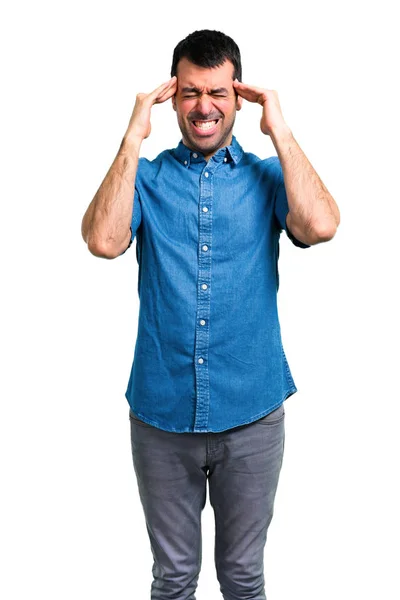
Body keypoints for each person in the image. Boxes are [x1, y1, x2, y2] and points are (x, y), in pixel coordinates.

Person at [81, 28, 340, 600]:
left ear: (237, 98)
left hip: (252, 414)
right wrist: (132, 135)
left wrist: (281, 129)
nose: (205, 107)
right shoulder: (145, 180)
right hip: (161, 415)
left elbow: (320, 225)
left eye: (218, 92)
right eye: (192, 92)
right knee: (172, 580)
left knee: (243, 580)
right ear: (173, 97)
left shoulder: (269, 177)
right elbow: (102, 240)